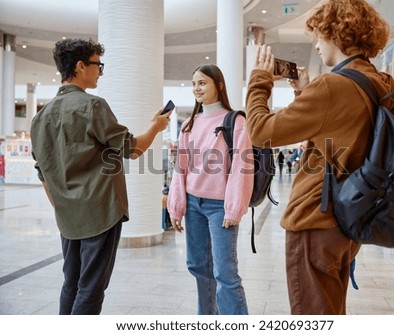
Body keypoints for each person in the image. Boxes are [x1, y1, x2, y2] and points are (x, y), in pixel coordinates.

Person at [245, 0, 394, 314]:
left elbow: (261, 132)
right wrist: (305, 93)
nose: (315, 44)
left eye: (318, 35)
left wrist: (259, 80)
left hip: (315, 220)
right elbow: (336, 134)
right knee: (331, 311)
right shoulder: (379, 83)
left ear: (337, 33)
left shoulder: (333, 86)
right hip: (346, 220)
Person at [30, 38, 170, 315]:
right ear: (81, 66)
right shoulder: (93, 106)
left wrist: (62, 206)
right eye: (98, 65)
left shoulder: (40, 116)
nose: (100, 72)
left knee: (71, 283)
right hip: (100, 211)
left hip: (68, 216)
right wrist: (156, 126)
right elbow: (133, 149)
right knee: (91, 288)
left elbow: (42, 171)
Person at [167, 64, 253, 315]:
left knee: (225, 273)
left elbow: (242, 166)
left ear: (219, 85)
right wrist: (176, 207)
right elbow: (180, 170)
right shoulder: (189, 125)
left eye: (202, 83)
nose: (196, 88)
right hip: (193, 205)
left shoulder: (235, 120)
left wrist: (234, 208)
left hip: (220, 208)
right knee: (198, 267)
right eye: (194, 83)